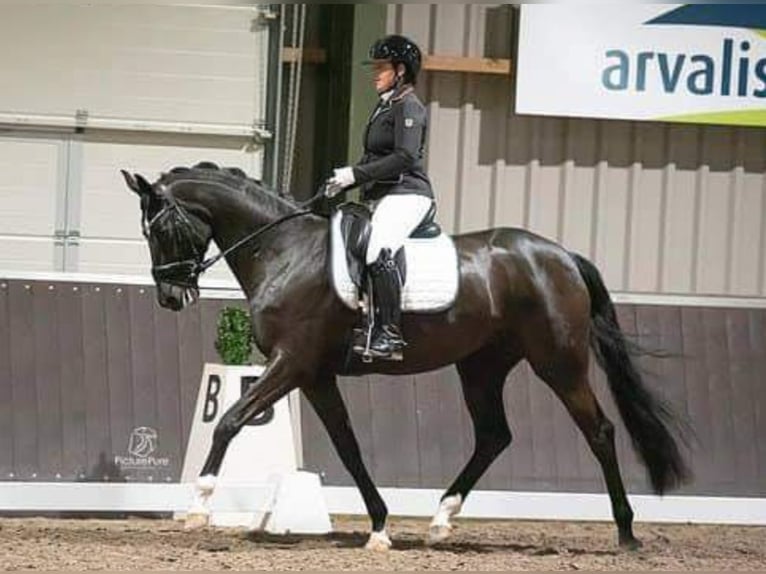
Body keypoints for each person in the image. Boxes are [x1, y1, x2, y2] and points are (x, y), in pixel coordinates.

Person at [325, 34, 435, 360]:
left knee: (378, 248)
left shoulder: (410, 107)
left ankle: (389, 334)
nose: (375, 73)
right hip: (384, 195)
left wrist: (356, 175)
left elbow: (404, 156)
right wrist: (342, 180)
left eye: (381, 67)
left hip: (408, 194)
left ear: (400, 70)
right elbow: (373, 157)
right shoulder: (384, 106)